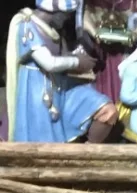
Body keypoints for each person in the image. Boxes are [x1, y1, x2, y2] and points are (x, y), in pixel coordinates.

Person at [5, 0, 117, 143]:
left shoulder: (54, 32)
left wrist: (81, 57)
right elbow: (49, 63)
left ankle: (88, 153)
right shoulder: (27, 25)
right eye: (67, 15)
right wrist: (77, 61)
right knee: (43, 141)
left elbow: (63, 58)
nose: (67, 19)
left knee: (106, 109)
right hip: (37, 92)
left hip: (60, 88)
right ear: (56, 12)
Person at [80, 0, 137, 102]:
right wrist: (95, 33)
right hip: (99, 51)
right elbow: (85, 17)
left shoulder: (136, 2)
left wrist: (134, 35)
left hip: (124, 50)